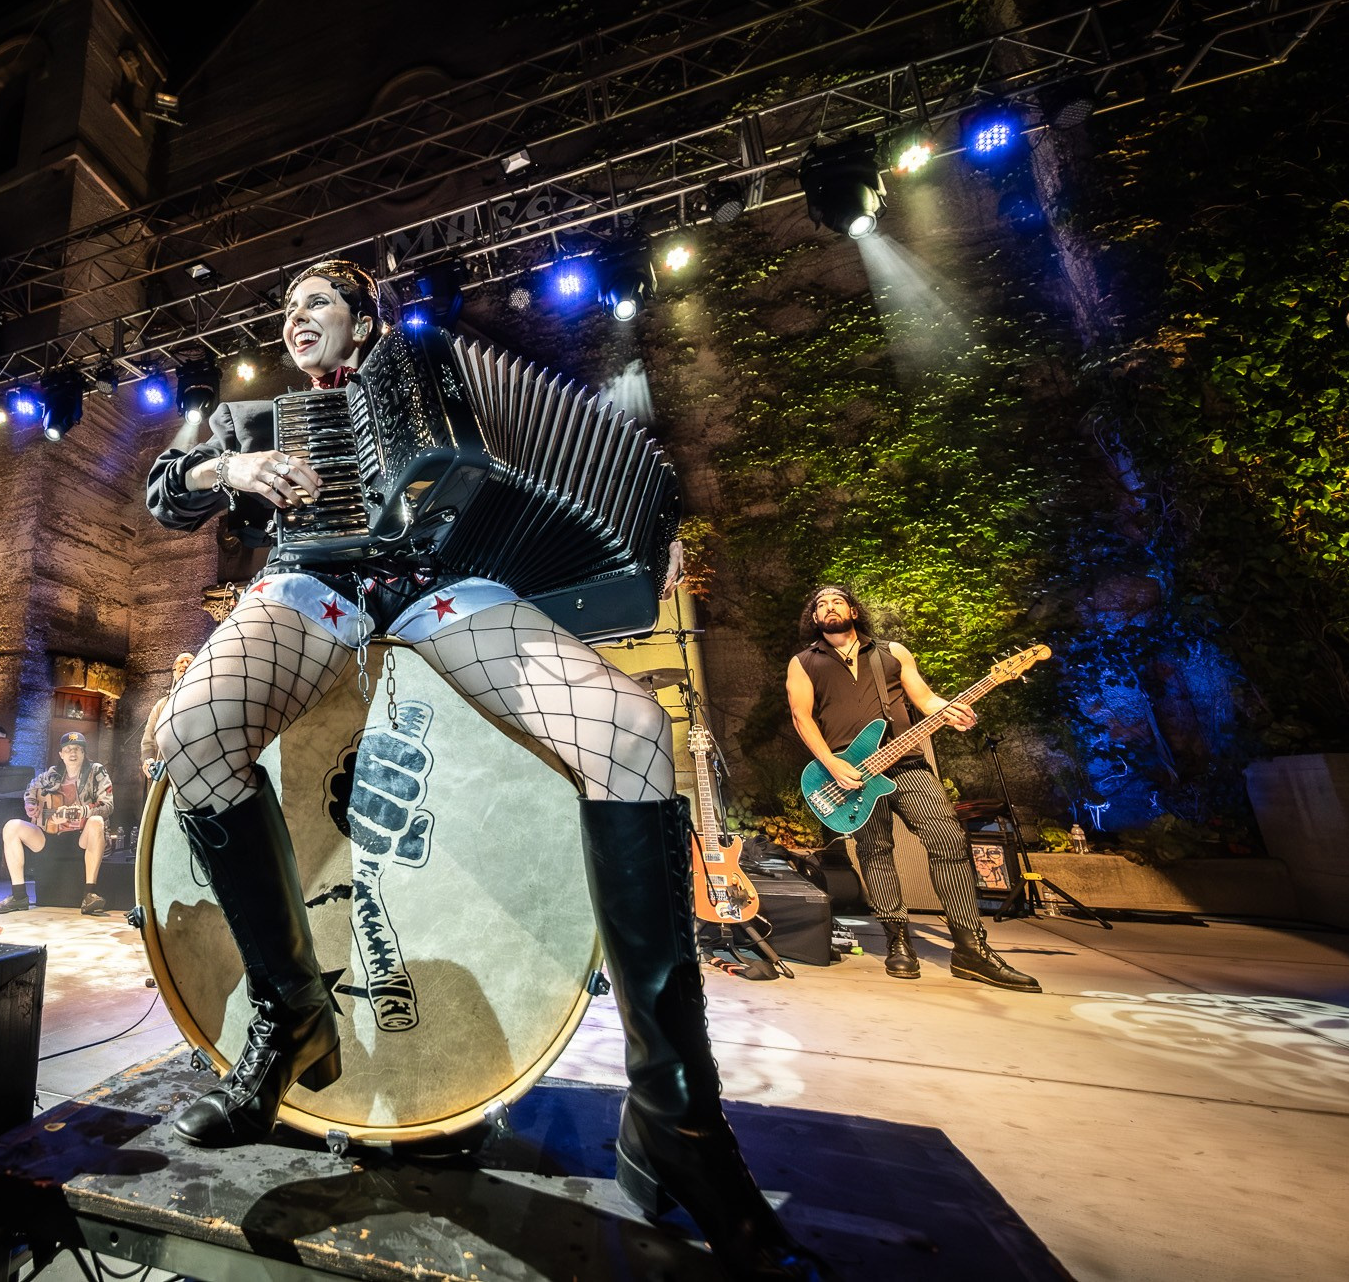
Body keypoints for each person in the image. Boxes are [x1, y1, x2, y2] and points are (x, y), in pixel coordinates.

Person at [143, 259, 823, 1279]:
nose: (293, 317)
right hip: (312, 585)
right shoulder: (257, 420)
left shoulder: (433, 380)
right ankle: (291, 1018)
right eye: (283, 306)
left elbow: (525, 472)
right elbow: (164, 493)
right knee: (195, 732)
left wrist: (656, 543)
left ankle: (676, 1118)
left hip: (442, 586)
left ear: (366, 317)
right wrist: (225, 472)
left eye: (315, 301)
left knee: (632, 731)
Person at [785, 584, 1041, 994]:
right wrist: (831, 763)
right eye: (822, 605)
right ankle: (897, 939)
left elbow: (925, 699)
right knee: (875, 851)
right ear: (814, 617)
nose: (830, 608)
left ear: (853, 610)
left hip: (907, 763)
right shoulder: (804, 662)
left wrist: (951, 712)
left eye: (838, 601)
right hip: (850, 775)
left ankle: (970, 947)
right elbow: (802, 718)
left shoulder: (891, 652)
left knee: (949, 840)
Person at [0, 731, 116, 915]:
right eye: (68, 749)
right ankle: (19, 896)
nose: (73, 753)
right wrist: (30, 804)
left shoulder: (96, 771)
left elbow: (108, 805)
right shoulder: (52, 774)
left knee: (96, 821)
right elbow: (31, 788)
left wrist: (79, 812)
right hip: (51, 836)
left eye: (77, 749)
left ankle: (89, 895)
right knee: (11, 827)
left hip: (81, 838)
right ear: (61, 754)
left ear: (84, 753)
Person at [140, 652, 195, 781]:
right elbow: (148, 738)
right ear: (174, 671)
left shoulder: (202, 700)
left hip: (192, 772)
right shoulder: (161, 705)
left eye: (189, 662)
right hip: (163, 772)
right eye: (181, 661)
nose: (185, 664)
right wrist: (148, 759)